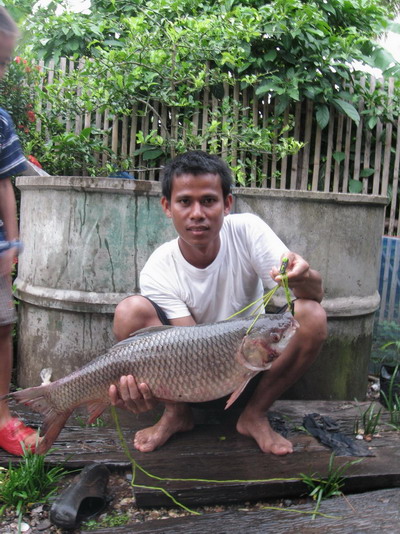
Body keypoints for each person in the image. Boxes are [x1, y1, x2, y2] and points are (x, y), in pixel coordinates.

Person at [109, 150, 327, 456]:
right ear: (167, 207)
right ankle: (177, 414)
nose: (197, 213)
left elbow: (314, 295)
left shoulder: (248, 231)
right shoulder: (158, 268)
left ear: (227, 204)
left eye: (208, 201)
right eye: (184, 201)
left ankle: (254, 415)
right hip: (190, 371)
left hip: (255, 365)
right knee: (130, 312)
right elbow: (190, 346)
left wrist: (301, 276)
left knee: (312, 314)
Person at [0, 7, 40, 455]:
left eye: (6, 62)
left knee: (1, 328)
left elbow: (5, 184)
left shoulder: (0, 120)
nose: (1, 71)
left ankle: (3, 418)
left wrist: (12, 243)